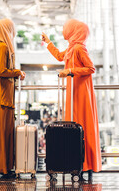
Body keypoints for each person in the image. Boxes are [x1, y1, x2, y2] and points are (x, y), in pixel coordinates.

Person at [42, 19, 102, 181]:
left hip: (81, 92)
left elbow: (90, 68)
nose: (65, 29)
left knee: (80, 123)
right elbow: (60, 56)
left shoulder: (79, 48)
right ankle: (77, 162)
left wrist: (70, 71)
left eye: (67, 27)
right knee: (75, 124)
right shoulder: (71, 48)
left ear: (74, 30)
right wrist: (49, 43)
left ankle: (84, 163)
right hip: (74, 91)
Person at [0, 19, 26, 178]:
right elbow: (2, 71)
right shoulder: (2, 47)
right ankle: (2, 167)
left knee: (4, 132)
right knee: (1, 132)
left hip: (3, 94)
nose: (13, 32)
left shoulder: (1, 46)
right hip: (1, 95)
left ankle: (5, 166)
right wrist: (17, 72)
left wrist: (16, 74)